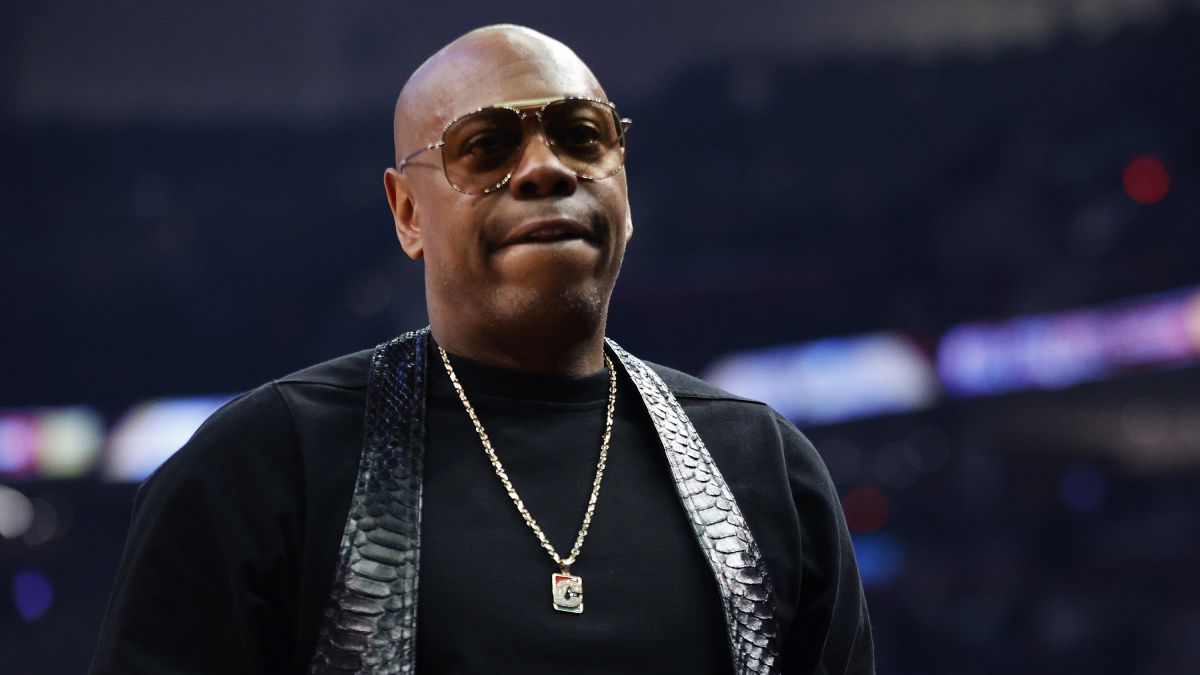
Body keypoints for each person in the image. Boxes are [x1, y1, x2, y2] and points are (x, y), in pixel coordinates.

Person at [90, 24, 874, 675]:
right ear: (408, 213)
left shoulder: (764, 466)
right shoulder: (262, 467)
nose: (545, 168)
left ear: (625, 188)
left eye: (581, 136)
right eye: (487, 146)